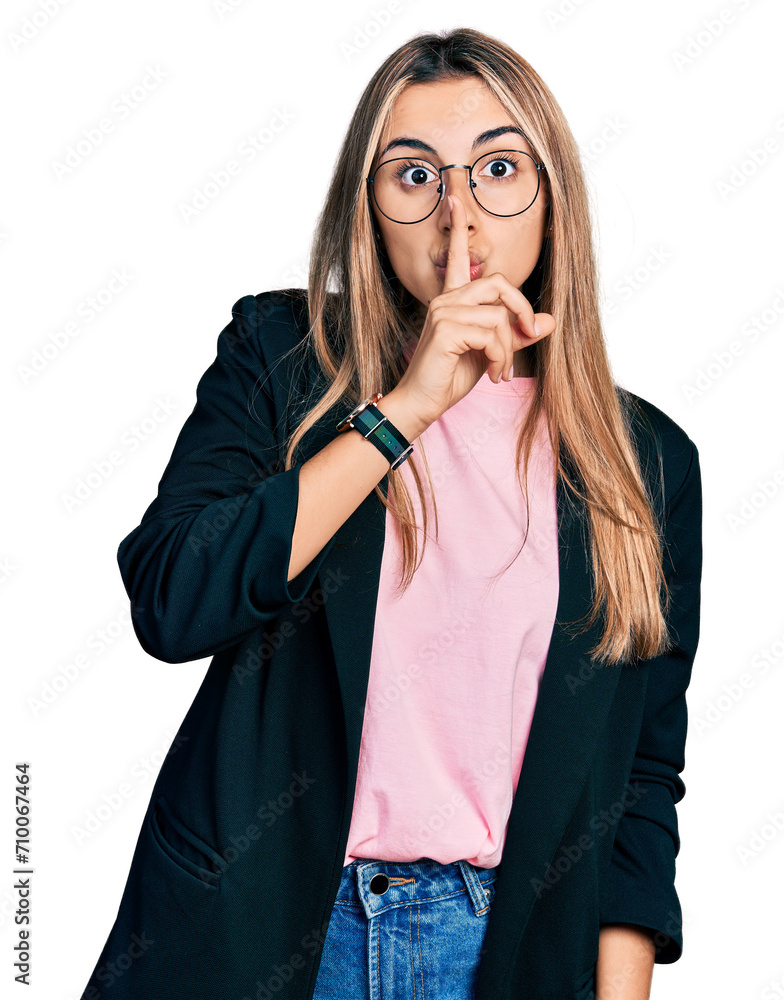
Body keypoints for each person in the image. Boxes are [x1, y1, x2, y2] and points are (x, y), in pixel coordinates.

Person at [77, 27, 702, 1000]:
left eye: (497, 167)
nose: (459, 214)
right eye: (414, 177)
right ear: (368, 210)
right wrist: (406, 406)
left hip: (509, 954)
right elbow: (174, 598)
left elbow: (640, 781)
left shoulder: (646, 461)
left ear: (553, 198)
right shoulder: (282, 360)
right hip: (279, 936)